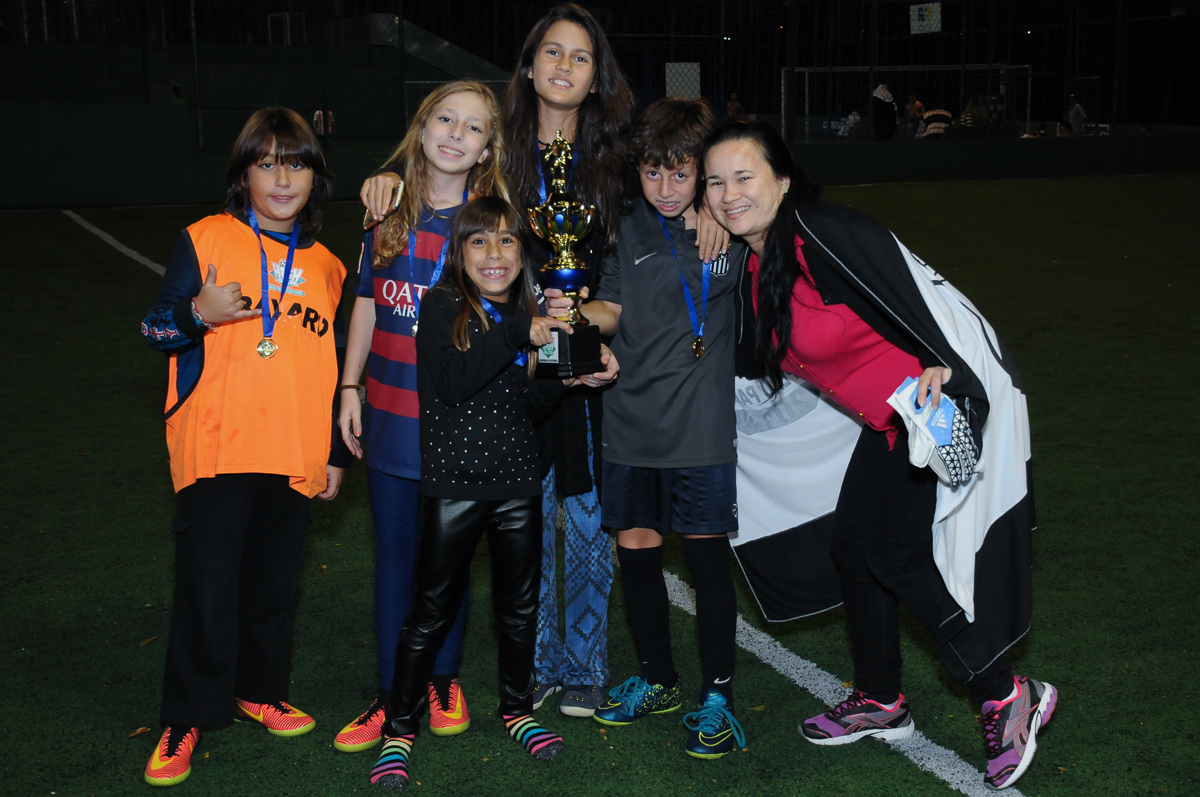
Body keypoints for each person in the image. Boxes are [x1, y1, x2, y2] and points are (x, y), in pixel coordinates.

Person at [702, 122, 1056, 792]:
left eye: (744, 177)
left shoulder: (824, 231)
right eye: (715, 182)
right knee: (853, 548)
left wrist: (948, 364)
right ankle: (881, 697)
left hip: (926, 412)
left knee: (894, 555)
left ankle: (1007, 692)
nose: (729, 193)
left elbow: (922, 295)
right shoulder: (755, 265)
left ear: (783, 179)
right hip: (886, 422)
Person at [503, 3, 729, 719]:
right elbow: (439, 176)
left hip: (601, 360)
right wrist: (391, 179)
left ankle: (588, 666)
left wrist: (716, 203)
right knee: (524, 514)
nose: (564, 66)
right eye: (553, 51)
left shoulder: (616, 155)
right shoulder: (497, 149)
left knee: (590, 513)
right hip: (519, 347)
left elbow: (684, 178)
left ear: (598, 74)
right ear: (529, 64)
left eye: (581, 56)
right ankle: (538, 661)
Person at [366, 197, 618, 791]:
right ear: (460, 253)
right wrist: (516, 332)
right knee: (429, 612)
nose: (494, 253)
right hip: (454, 487)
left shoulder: (527, 314)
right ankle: (399, 729)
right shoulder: (443, 305)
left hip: (516, 484)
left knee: (519, 608)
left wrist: (568, 375)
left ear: (522, 254)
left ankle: (516, 709)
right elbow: (454, 384)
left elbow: (531, 406)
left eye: (506, 240)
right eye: (479, 241)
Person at [139, 107, 347, 787]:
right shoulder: (206, 239)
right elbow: (154, 329)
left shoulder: (328, 267)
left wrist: (331, 453)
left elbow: (329, 365)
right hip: (218, 448)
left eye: (297, 165)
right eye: (267, 164)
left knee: (272, 586)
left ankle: (259, 690)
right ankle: (186, 715)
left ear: (315, 178)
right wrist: (196, 313)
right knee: (207, 587)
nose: (283, 179)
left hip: (293, 451)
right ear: (243, 175)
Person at [548, 97, 748, 759]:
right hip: (631, 422)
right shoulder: (626, 225)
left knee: (707, 558)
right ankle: (658, 677)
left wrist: (714, 207)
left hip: (701, 429)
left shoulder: (732, 225)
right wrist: (576, 316)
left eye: (682, 174)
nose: (665, 187)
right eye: (653, 171)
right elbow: (610, 306)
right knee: (636, 551)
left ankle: (717, 695)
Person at [335, 80, 509, 754]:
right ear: (423, 126)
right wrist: (349, 385)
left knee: (450, 561)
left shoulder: (492, 224)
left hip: (460, 422)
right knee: (396, 559)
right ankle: (391, 693)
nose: (456, 134)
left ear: (487, 149)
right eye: (445, 119)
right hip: (389, 414)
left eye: (473, 127)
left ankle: (442, 678)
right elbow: (367, 301)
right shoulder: (385, 211)